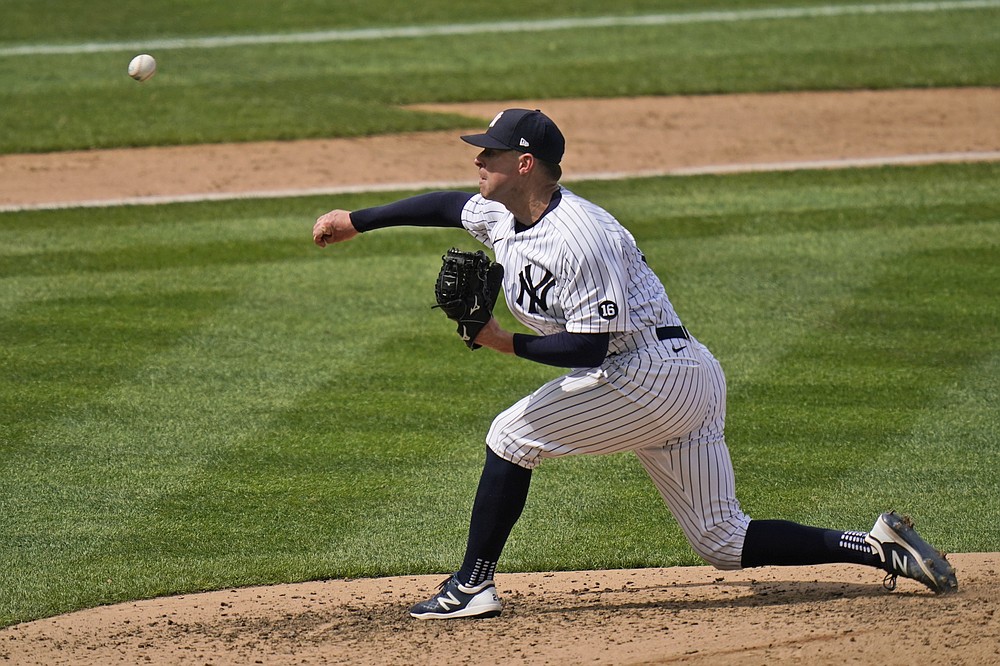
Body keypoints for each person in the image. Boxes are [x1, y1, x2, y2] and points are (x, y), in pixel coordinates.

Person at [312, 108, 958, 620]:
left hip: (648, 377)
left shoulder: (580, 238)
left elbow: (587, 348)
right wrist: (358, 221)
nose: (479, 160)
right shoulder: (508, 212)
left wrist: (500, 340)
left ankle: (471, 585)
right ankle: (880, 548)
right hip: (682, 375)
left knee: (511, 437)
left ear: (525, 163)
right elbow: (448, 204)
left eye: (491, 152)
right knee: (722, 541)